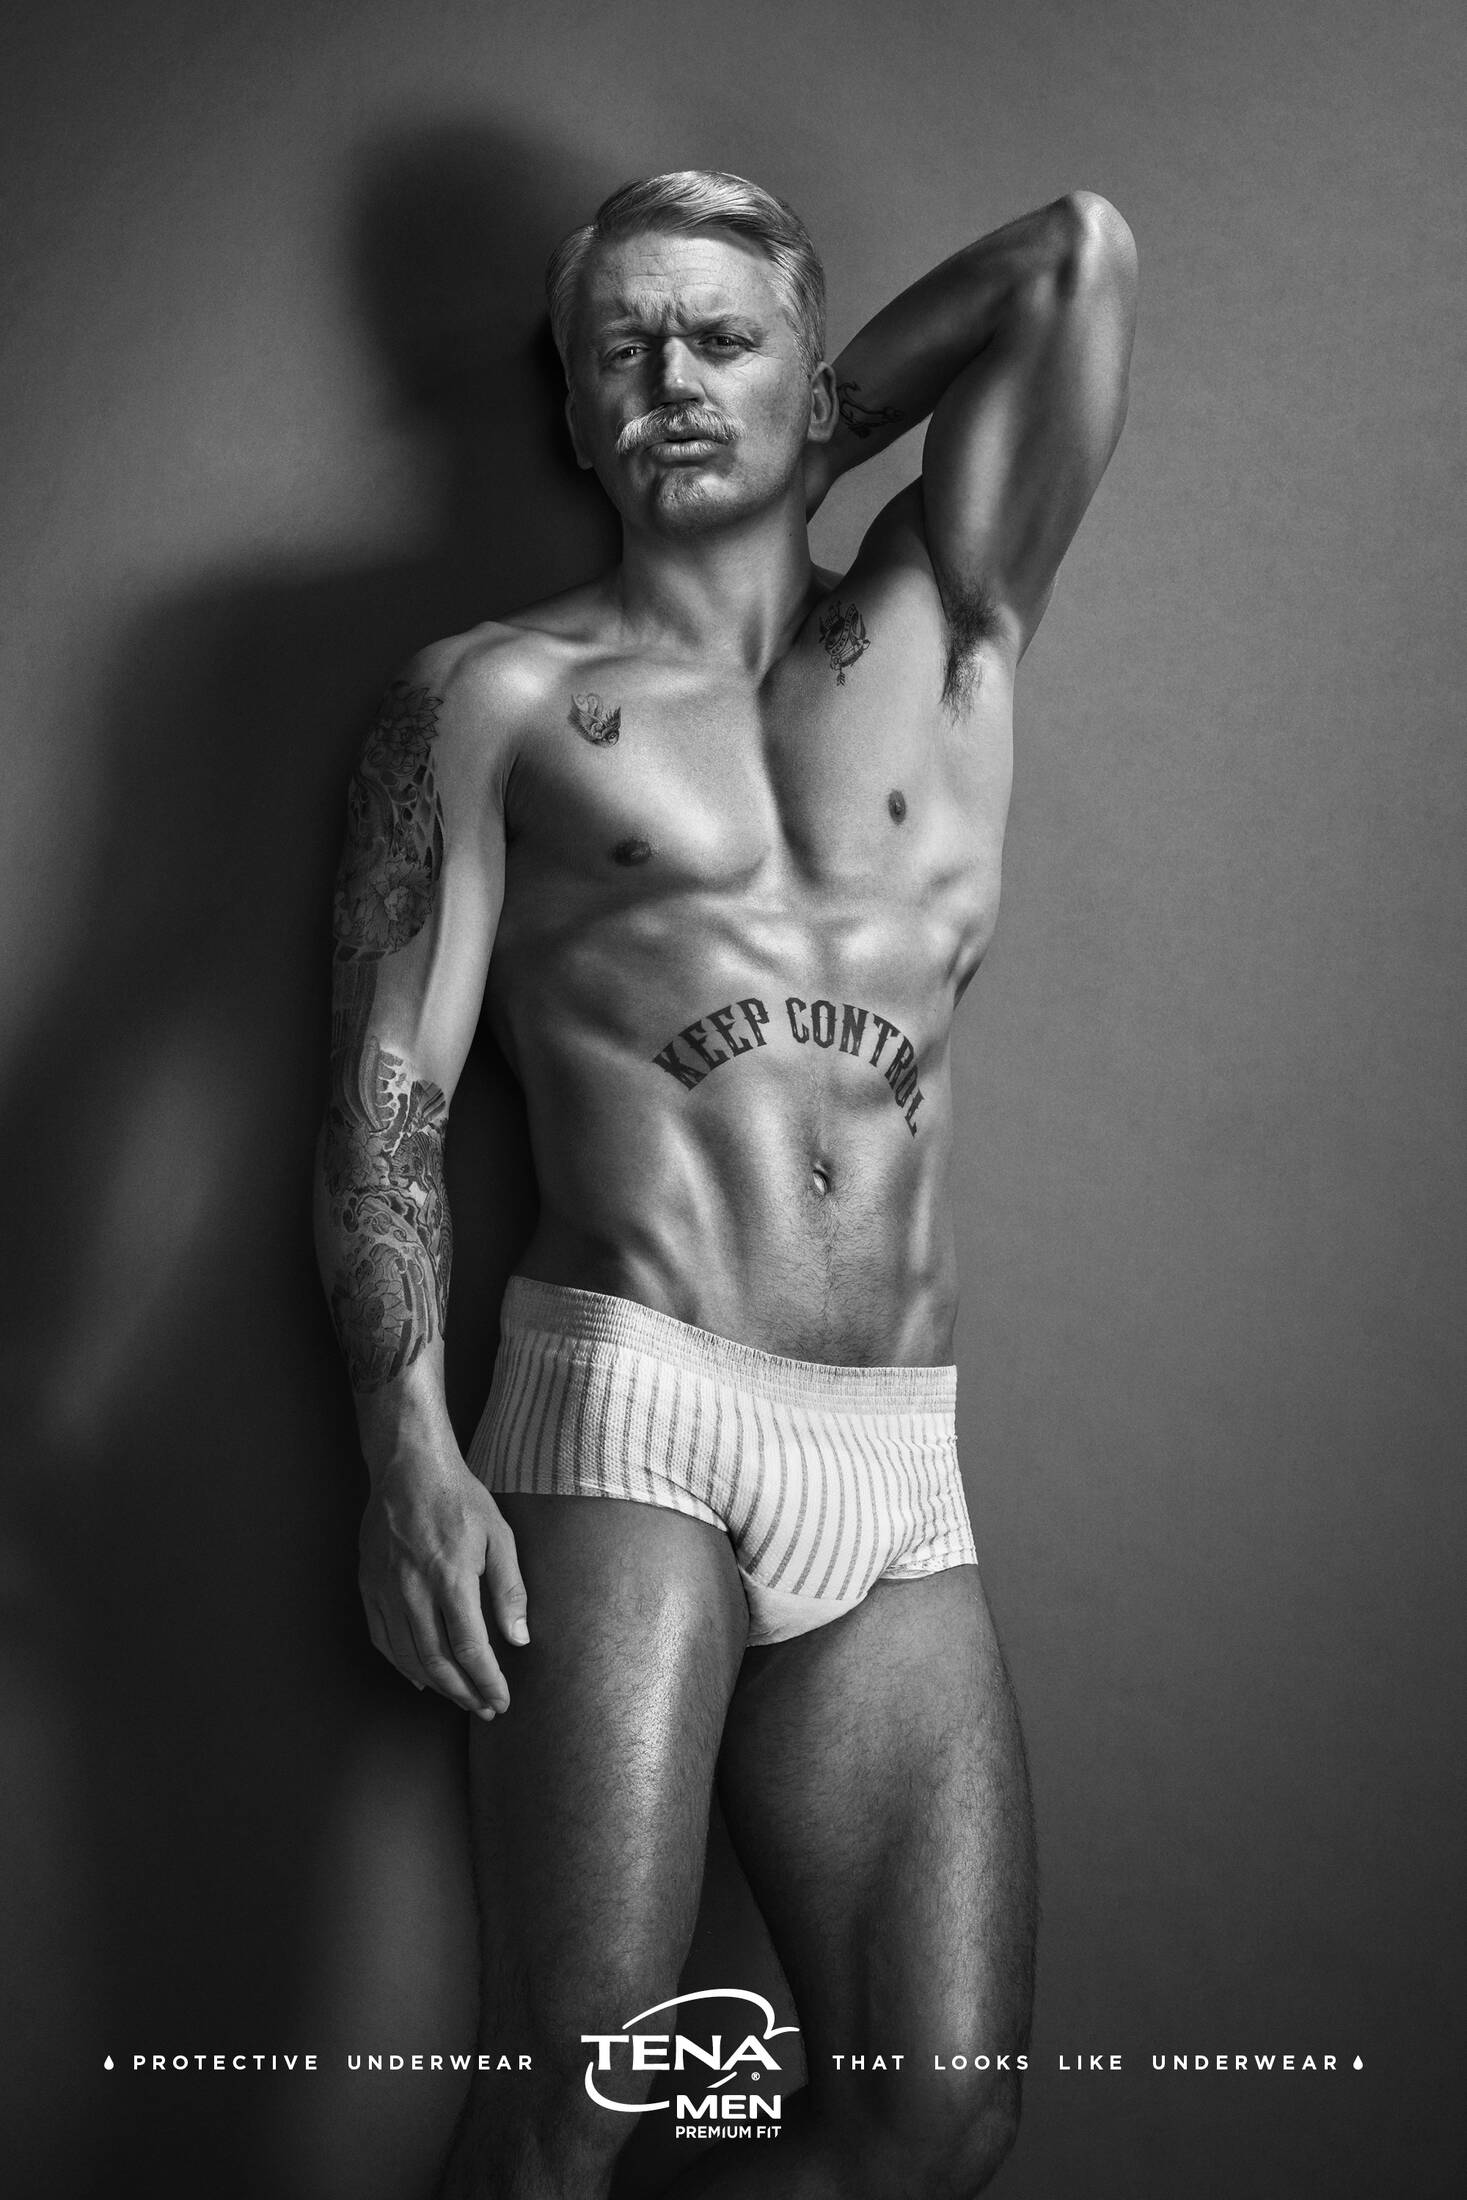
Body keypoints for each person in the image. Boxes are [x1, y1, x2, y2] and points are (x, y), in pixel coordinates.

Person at [315, 168, 1136, 2199]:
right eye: (624, 350)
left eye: (720, 340)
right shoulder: (489, 697)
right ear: (570, 409)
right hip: (632, 1408)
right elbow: (389, 1089)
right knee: (568, 2106)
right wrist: (403, 1444)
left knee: (935, 2122)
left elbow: (1075, 257)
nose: (670, 379)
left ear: (808, 370)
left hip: (896, 1452)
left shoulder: (945, 627)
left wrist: (809, 434)